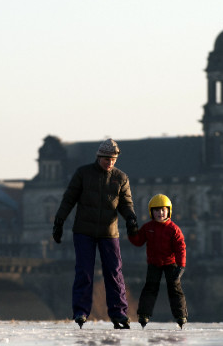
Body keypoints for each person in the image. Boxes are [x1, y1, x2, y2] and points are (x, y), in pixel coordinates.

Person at [52, 138, 138, 330]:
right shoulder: (83, 174)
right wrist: (59, 221)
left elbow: (126, 204)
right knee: (84, 271)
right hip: (84, 231)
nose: (110, 163)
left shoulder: (120, 177)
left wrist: (131, 219)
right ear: (99, 157)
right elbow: (69, 199)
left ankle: (119, 313)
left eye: (113, 160)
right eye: (107, 159)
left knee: (114, 273)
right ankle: (81, 311)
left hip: (109, 232)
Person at [128, 194, 188, 329]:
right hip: (154, 263)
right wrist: (132, 230)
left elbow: (181, 248)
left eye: (163, 210)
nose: (160, 213)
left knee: (175, 288)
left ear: (168, 211)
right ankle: (144, 314)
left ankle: (181, 315)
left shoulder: (174, 229)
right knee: (150, 288)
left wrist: (181, 266)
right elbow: (138, 241)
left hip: (170, 263)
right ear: (151, 212)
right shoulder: (148, 227)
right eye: (156, 210)